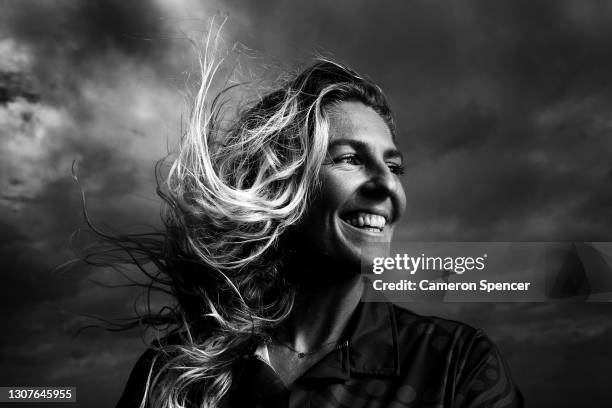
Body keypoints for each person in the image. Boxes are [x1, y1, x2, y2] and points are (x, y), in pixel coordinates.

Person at [111, 49, 523, 407]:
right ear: (282, 183)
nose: (387, 185)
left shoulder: (457, 365)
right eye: (349, 159)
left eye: (394, 166)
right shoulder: (173, 372)